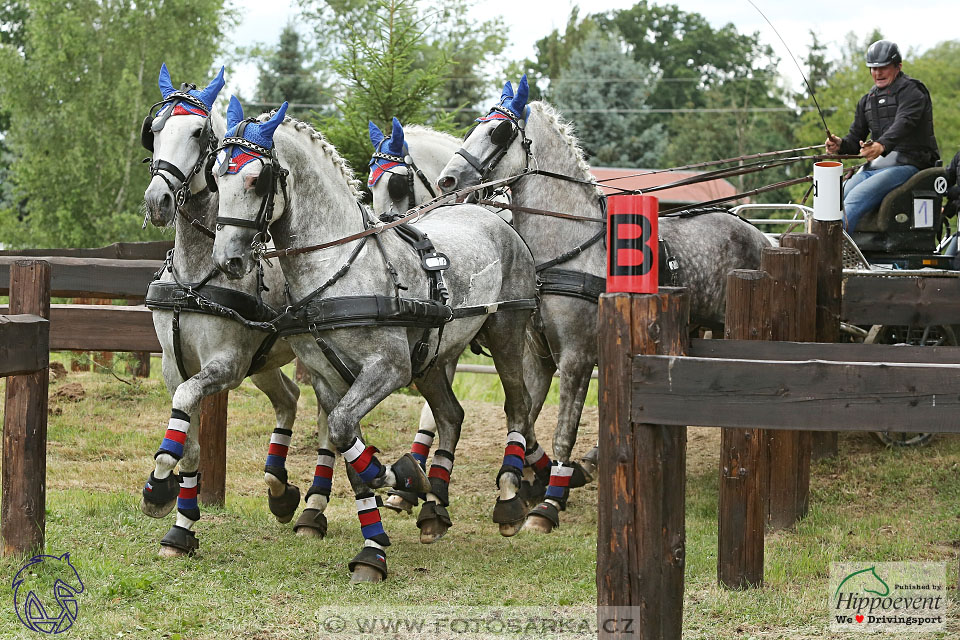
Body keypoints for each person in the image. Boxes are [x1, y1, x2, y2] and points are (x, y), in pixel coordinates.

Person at [825, 39, 940, 232]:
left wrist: (882, 145)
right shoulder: (867, 100)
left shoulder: (912, 91)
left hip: (909, 163)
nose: (877, 73)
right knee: (833, 199)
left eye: (883, 68)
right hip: (874, 167)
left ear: (898, 67)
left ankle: (831, 252)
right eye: (873, 68)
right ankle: (816, 246)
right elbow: (855, 139)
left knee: (855, 198)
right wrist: (840, 145)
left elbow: (904, 122)